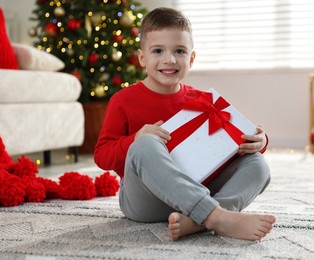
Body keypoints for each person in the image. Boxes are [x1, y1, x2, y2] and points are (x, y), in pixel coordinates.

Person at [94, 7, 276, 241]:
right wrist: (136, 139)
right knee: (146, 144)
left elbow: (231, 139)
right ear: (142, 58)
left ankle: (199, 220)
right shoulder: (122, 100)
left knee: (258, 164)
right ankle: (217, 217)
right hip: (146, 203)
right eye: (158, 51)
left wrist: (259, 141)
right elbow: (102, 156)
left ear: (191, 58)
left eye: (179, 51)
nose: (169, 59)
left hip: (198, 191)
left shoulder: (204, 100)